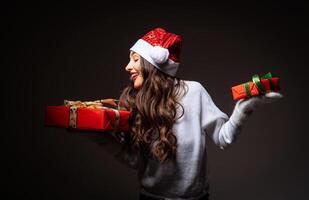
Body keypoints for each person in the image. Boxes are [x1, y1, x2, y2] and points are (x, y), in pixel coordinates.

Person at [114, 27, 282, 200]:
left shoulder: (194, 92)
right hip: (149, 197)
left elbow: (224, 138)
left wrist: (243, 108)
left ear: (155, 62)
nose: (128, 67)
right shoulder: (136, 101)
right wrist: (97, 134)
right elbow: (134, 160)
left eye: (135, 60)